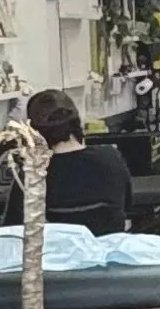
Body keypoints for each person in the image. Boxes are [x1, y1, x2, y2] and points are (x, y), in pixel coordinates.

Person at [20, 87, 134, 229]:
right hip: (107, 248)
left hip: (56, 250)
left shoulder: (33, 173)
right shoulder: (111, 157)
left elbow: (13, 228)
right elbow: (128, 206)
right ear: (76, 122)